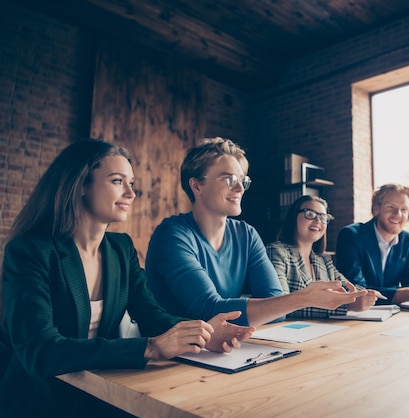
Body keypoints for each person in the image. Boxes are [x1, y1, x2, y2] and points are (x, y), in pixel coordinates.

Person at [0, 139, 254, 417]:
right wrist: (150, 347)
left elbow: (152, 315)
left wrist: (203, 334)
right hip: (38, 402)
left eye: (132, 183)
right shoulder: (29, 251)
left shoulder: (120, 249)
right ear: (81, 185)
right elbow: (41, 351)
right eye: (118, 181)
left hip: (100, 394)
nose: (131, 193)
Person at [145, 137, 365, 327]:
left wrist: (281, 304)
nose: (240, 188)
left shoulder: (247, 235)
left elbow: (276, 309)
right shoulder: (172, 235)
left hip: (223, 350)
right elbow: (208, 309)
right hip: (171, 361)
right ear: (197, 186)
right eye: (228, 179)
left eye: (242, 181)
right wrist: (301, 299)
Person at [267, 195, 384, 318]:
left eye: (323, 217)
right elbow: (278, 305)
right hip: (289, 332)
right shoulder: (277, 252)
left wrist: (363, 294)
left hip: (322, 329)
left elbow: (349, 287)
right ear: (293, 217)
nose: (318, 221)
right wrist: (347, 306)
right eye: (310, 214)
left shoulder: (323, 260)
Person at [335, 183, 409, 304]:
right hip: (358, 316)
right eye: (391, 207)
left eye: (404, 210)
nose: (398, 214)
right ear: (377, 209)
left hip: (393, 315)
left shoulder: (407, 239)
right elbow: (357, 291)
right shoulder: (351, 235)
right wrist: (408, 294)